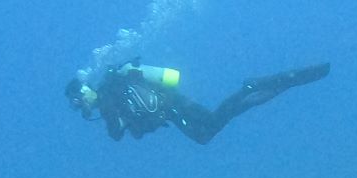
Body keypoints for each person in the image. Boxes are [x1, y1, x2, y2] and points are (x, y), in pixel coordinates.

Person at [65, 61, 330, 144]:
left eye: (78, 101)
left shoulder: (108, 92)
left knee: (211, 125)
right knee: (207, 132)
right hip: (170, 108)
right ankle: (268, 88)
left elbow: (117, 133)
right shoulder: (107, 97)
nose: (80, 106)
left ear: (84, 89)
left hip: (171, 104)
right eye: (76, 105)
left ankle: (252, 88)